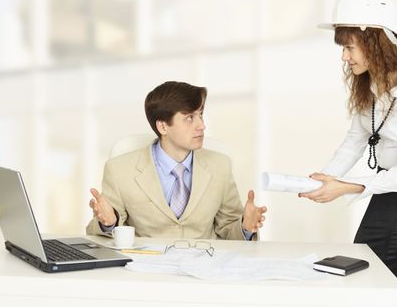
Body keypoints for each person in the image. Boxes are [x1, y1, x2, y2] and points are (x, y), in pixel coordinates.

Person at [299, 0, 397, 307]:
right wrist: (323, 178)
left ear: (376, 42)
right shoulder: (368, 84)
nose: (345, 56)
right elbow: (355, 140)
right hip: (389, 186)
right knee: (364, 278)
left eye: (349, 47)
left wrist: (344, 188)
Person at [86, 81, 267, 240]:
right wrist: (109, 223)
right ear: (163, 126)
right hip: (147, 269)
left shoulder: (220, 165)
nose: (201, 125)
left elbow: (228, 229)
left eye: (200, 114)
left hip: (205, 267)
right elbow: (99, 236)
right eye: (189, 117)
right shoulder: (119, 170)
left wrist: (244, 227)